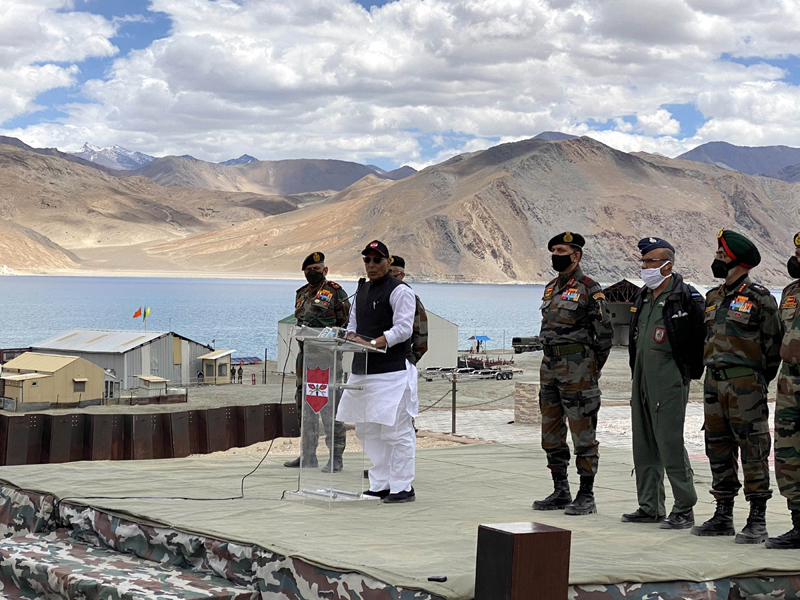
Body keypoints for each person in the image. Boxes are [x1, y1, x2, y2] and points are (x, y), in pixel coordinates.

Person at [692, 230, 782, 544]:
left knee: (753, 448)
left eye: (721, 255)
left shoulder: (760, 297)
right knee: (717, 446)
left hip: (745, 383)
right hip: (713, 382)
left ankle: (757, 518)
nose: (716, 259)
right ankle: (723, 514)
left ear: (737, 261)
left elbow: (773, 345)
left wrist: (756, 380)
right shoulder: (712, 297)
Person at [623, 237, 704, 529]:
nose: (644, 267)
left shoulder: (685, 298)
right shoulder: (643, 296)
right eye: (643, 262)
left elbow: (699, 340)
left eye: (650, 262)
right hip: (641, 376)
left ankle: (684, 506)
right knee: (643, 441)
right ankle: (650, 505)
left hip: (669, 378)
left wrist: (687, 373)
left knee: (670, 442)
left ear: (667, 265)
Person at [533, 232, 613, 516]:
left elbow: (605, 335)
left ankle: (586, 494)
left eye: (561, 250)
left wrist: (591, 367)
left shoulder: (590, 288)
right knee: (550, 433)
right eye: (553, 250)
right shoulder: (550, 288)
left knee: (583, 434)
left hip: (578, 369)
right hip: (549, 367)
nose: (555, 255)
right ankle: (560, 489)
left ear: (576, 255)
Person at [338, 240, 417, 503]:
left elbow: (403, 329)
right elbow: (353, 324)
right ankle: (381, 483)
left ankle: (402, 486)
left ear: (388, 261)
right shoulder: (361, 290)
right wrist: (350, 337)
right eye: (367, 260)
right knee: (367, 429)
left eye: (377, 260)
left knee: (395, 431)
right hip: (363, 370)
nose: (371, 265)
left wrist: (375, 343)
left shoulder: (400, 291)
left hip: (392, 371)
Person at [283, 251, 351, 472]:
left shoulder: (336, 293)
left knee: (330, 410)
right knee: (305, 409)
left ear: (325, 270)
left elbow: (346, 325)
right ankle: (308, 456)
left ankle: (336, 458)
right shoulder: (301, 293)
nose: (313, 272)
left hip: (328, 360)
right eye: (309, 270)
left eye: (317, 269)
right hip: (305, 360)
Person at [767, 233, 800, 549]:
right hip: (790, 381)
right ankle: (798, 524)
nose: (798, 258)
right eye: (798, 252)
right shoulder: (790, 293)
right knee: (789, 452)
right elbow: (777, 337)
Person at [389, 256, 428, 365]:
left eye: (391, 273)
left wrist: (411, 360)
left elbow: (421, 334)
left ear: (401, 275)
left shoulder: (410, 298)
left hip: (399, 359)